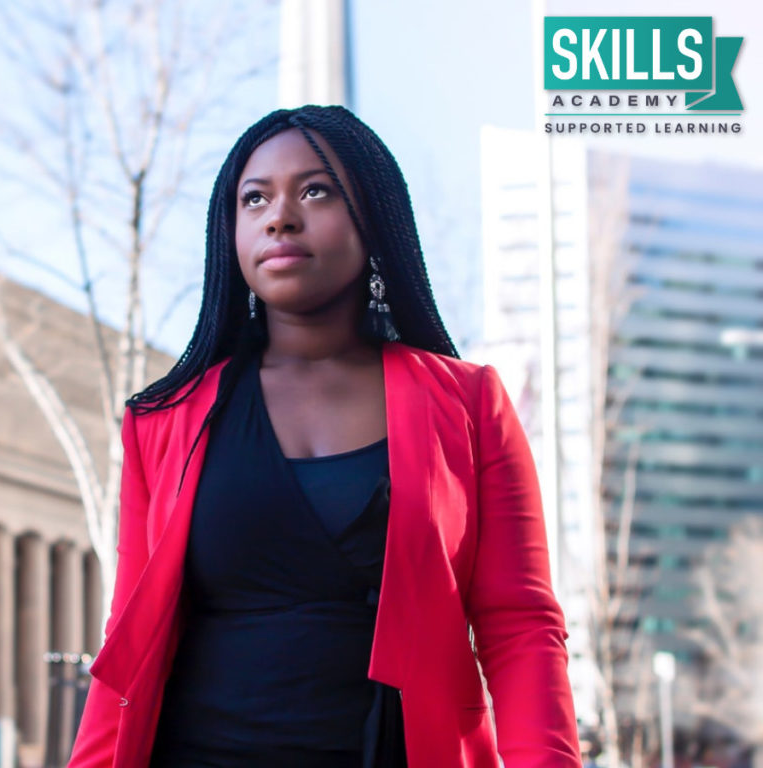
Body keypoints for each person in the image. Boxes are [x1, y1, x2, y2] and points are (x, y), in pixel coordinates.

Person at [66, 105, 582, 768]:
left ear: (374, 217)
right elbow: (131, 643)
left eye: (315, 191)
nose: (280, 216)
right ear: (230, 233)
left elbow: (519, 628)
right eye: (255, 199)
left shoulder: (470, 404)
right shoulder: (161, 422)